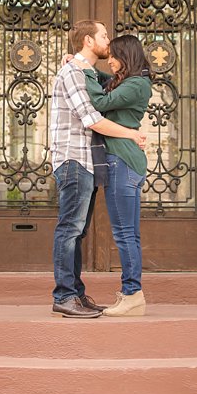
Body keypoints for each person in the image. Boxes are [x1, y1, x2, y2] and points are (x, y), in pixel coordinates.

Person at [49, 19, 148, 319]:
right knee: (70, 229)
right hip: (73, 159)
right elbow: (91, 117)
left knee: (77, 232)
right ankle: (64, 296)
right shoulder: (74, 73)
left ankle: (75, 294)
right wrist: (131, 133)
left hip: (88, 161)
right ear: (89, 41)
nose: (109, 40)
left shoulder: (87, 72)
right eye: (104, 35)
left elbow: (106, 85)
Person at [82, 34, 154, 317]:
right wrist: (88, 69)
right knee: (128, 233)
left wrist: (83, 69)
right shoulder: (131, 82)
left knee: (125, 234)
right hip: (123, 160)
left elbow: (100, 101)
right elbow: (106, 82)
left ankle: (132, 294)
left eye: (113, 55)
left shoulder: (137, 84)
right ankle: (131, 293)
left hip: (123, 161)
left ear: (126, 56)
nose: (109, 60)